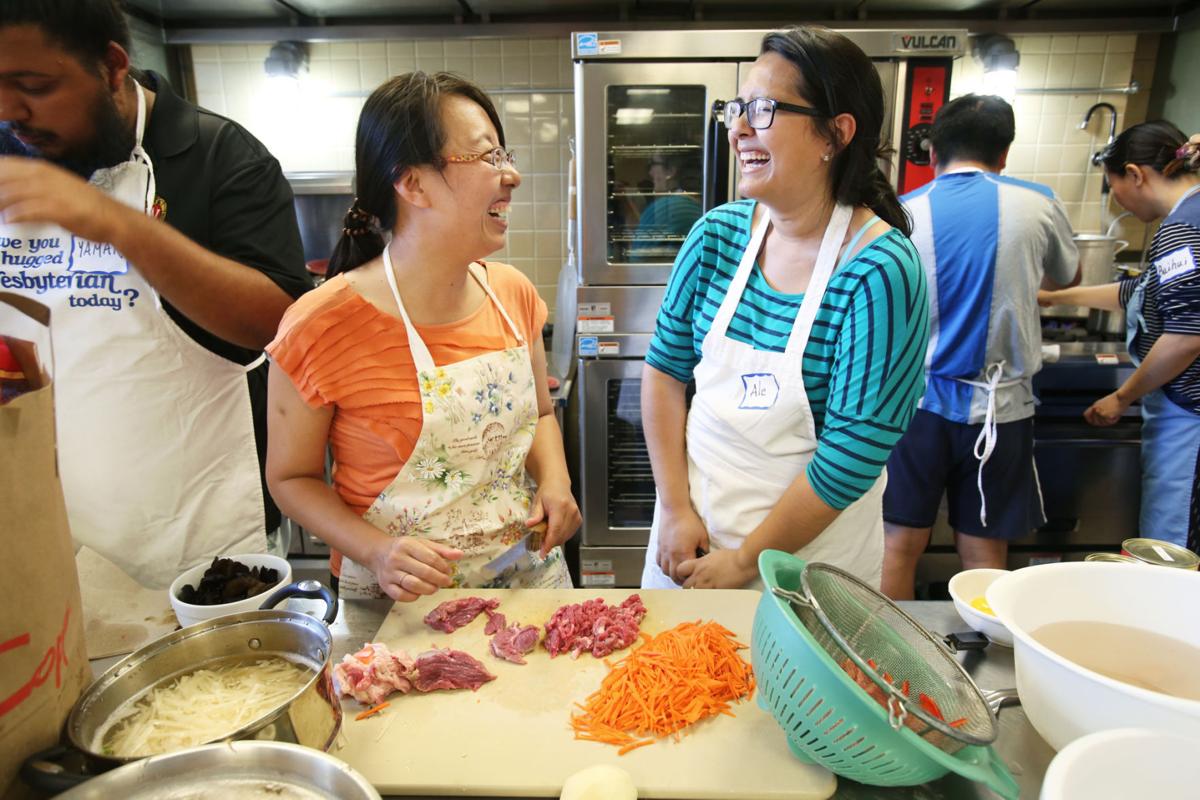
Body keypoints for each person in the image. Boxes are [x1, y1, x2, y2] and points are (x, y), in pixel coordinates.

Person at [0, 0, 311, 587]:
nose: (10, 110)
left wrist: (119, 225)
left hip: (196, 536)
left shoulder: (219, 155)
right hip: (34, 530)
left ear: (113, 66)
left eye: (34, 86)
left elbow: (280, 326)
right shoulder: (8, 151)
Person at [266, 72, 580, 601]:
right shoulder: (319, 325)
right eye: (487, 158)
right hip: (400, 604)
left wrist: (556, 481)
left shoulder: (513, 295)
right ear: (411, 184)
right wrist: (375, 550)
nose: (512, 175)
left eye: (505, 155)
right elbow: (291, 479)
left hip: (526, 582)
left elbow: (541, 415)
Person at [640, 26, 929, 591]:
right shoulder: (715, 237)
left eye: (765, 109)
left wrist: (746, 561)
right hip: (690, 536)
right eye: (738, 108)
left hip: (808, 568)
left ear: (835, 134)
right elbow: (663, 374)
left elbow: (850, 456)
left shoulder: (879, 271)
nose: (740, 127)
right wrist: (674, 507)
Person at [880, 95, 1081, 599]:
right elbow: (1067, 275)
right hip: (1002, 407)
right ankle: (987, 670)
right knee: (984, 554)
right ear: (1005, 153)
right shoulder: (1040, 202)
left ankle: (885, 669)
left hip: (913, 406)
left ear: (932, 152)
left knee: (899, 543)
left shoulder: (902, 213)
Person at [1039, 121, 1200, 554]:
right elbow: (1143, 291)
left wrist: (1122, 396)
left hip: (1189, 416)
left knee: (1172, 552)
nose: (1119, 202)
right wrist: (1057, 297)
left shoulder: (1181, 230)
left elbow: (1187, 335)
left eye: (1113, 188)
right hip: (1183, 414)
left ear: (1135, 174)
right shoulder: (1191, 216)